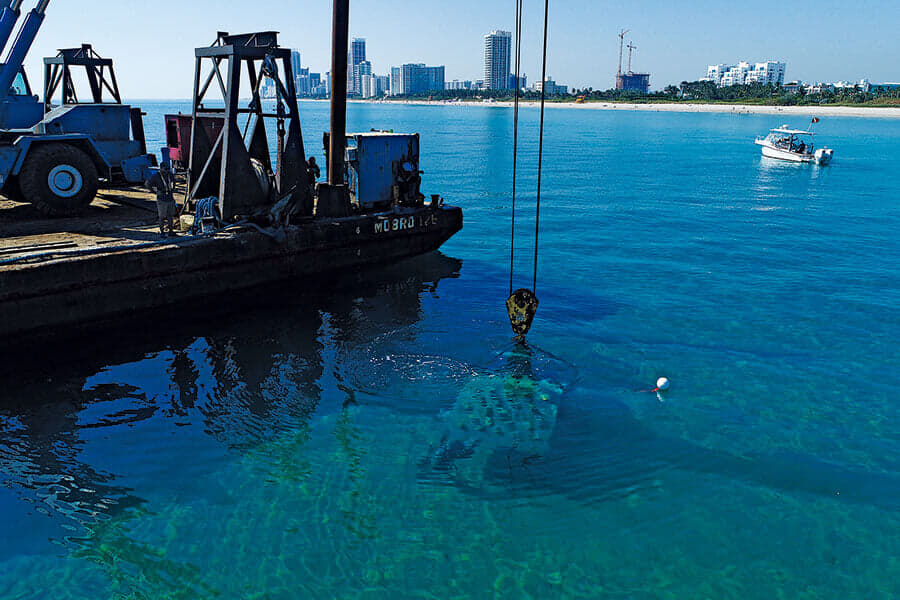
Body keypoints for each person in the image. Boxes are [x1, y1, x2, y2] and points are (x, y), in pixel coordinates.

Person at [145, 163, 177, 238]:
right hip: (161, 198)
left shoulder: (170, 175)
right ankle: (162, 231)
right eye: (165, 169)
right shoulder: (156, 176)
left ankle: (171, 231)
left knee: (170, 215)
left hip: (170, 197)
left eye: (168, 169)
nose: (167, 171)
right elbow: (147, 184)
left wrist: (173, 189)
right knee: (162, 216)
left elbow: (174, 181)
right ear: (161, 168)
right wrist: (154, 192)